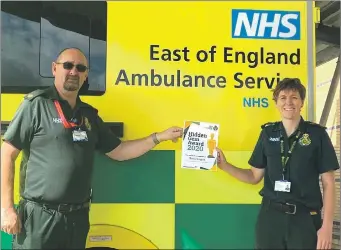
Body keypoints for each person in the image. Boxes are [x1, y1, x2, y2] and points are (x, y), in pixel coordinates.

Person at [1, 47, 183, 249]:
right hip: (39, 217)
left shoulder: (88, 116)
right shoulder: (36, 105)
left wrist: (158, 137)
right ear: (54, 68)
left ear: (86, 74)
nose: (73, 72)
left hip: (77, 219)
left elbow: (119, 151)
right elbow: (7, 154)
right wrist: (7, 209)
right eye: (68, 65)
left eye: (80, 68)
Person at [216, 78, 339, 250]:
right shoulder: (267, 133)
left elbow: (328, 183)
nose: (288, 102)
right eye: (283, 97)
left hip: (305, 219)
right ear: (276, 103)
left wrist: (326, 227)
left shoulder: (317, 135)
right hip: (270, 218)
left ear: (302, 102)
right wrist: (225, 166)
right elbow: (254, 176)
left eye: (294, 97)